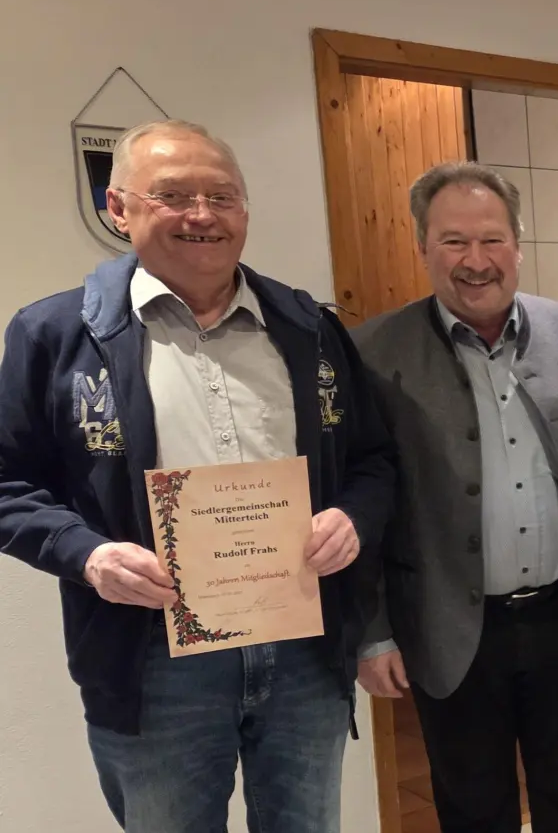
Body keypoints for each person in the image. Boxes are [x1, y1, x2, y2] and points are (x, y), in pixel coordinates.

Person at [0, 119, 396, 833]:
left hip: (304, 646)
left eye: (223, 196)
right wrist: (88, 556)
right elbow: (7, 485)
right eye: (174, 195)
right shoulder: (54, 335)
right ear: (118, 209)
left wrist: (352, 519)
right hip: (152, 661)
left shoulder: (308, 327)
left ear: (245, 210)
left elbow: (373, 460)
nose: (203, 215)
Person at [351, 162, 558, 833]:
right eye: (454, 241)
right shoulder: (373, 353)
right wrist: (370, 632)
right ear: (422, 248)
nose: (475, 260)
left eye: (492, 240)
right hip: (450, 627)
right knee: (471, 804)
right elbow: (363, 507)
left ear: (518, 244)